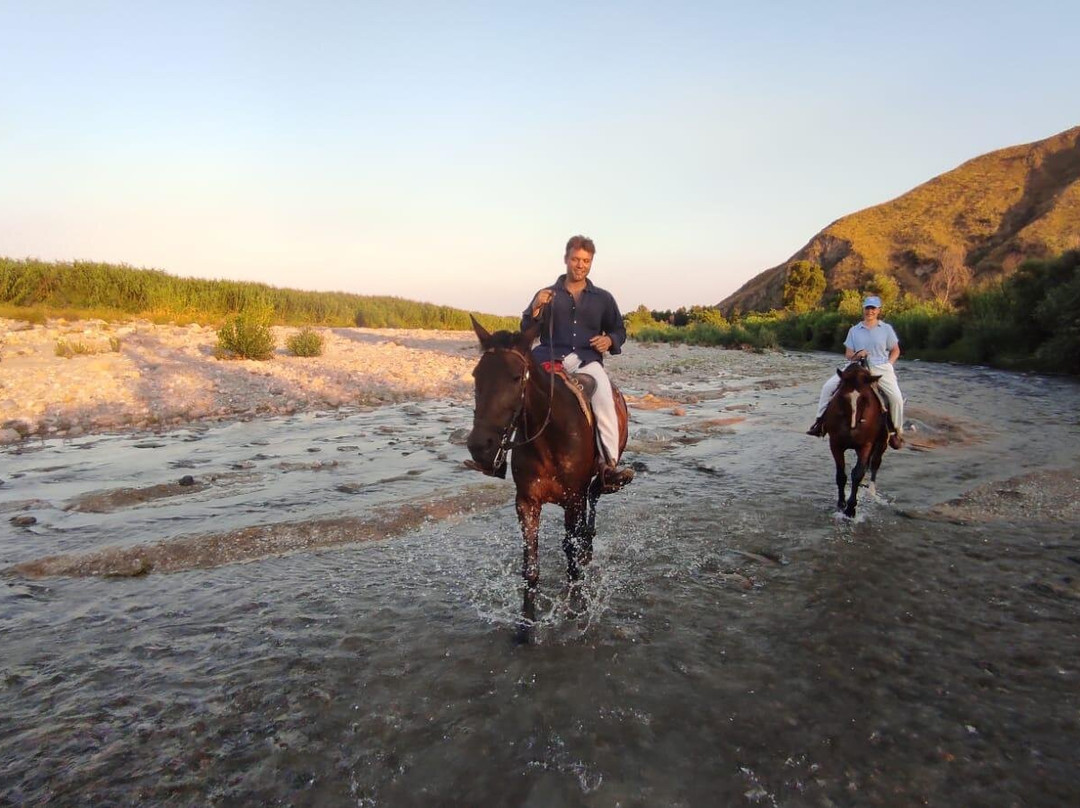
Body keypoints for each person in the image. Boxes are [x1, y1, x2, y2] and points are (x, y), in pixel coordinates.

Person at [522, 235, 634, 489]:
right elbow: (526, 330)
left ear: (591, 262)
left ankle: (608, 466)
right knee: (518, 393)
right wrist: (535, 308)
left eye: (586, 260)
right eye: (576, 259)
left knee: (604, 395)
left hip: (586, 360)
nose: (580, 265)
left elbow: (619, 330)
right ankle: (498, 454)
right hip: (548, 357)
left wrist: (609, 341)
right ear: (566, 259)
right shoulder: (546, 295)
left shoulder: (603, 298)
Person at [806, 295, 906, 449]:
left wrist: (889, 364)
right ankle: (819, 423)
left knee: (897, 398)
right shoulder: (854, 330)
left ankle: (896, 432)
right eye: (867, 308)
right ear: (863, 309)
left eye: (873, 308)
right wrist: (857, 354)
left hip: (880, 367)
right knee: (827, 387)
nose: (870, 311)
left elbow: (895, 350)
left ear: (879, 310)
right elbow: (848, 353)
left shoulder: (886, 329)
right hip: (856, 366)